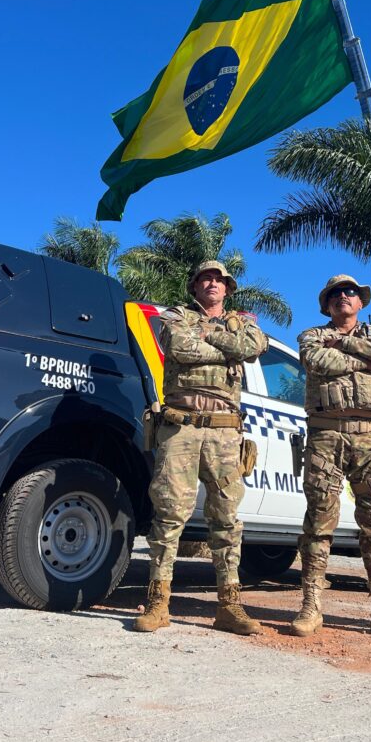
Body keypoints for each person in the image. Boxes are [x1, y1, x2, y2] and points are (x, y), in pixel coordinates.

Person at [134, 261, 268, 635]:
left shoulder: (244, 323)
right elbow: (179, 346)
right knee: (169, 514)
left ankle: (229, 606)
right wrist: (227, 346)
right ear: (195, 286)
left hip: (225, 432)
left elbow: (254, 346)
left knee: (226, 518)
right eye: (206, 278)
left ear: (227, 289)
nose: (212, 283)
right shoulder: (176, 316)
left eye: (219, 280)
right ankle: (159, 603)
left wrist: (209, 337)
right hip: (181, 427)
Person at [292, 275, 371, 640]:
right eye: (335, 293)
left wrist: (344, 344)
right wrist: (364, 360)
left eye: (350, 292)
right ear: (326, 304)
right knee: (319, 520)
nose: (343, 297)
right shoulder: (312, 335)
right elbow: (316, 361)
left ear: (360, 302)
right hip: (326, 435)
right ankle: (311, 606)